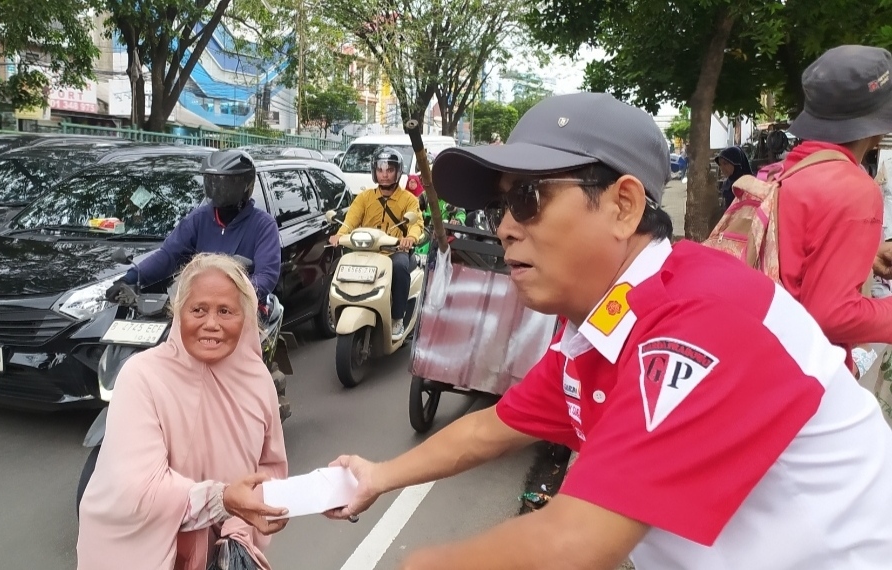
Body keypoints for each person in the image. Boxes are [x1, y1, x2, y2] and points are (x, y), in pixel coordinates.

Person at [325, 92, 892, 570]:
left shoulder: (704, 316)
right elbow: (490, 428)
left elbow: (576, 541)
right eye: (500, 206)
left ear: (624, 205)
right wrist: (378, 475)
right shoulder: (606, 325)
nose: (502, 227)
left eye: (527, 199)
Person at [78, 253, 290, 570]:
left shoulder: (257, 380)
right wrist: (223, 500)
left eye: (226, 311)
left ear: (244, 317)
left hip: (225, 551)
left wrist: (240, 524)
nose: (212, 324)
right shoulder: (142, 376)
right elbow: (138, 490)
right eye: (198, 310)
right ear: (178, 313)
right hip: (152, 555)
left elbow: (270, 468)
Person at [779, 44, 892, 374]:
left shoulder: (789, 170)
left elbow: (795, 261)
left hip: (769, 358)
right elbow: (833, 314)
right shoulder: (853, 189)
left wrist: (867, 258)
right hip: (809, 376)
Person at [105, 149, 281, 307]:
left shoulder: (263, 225)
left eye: (225, 183)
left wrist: (238, 293)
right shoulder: (198, 219)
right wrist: (130, 278)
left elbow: (266, 275)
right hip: (199, 304)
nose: (217, 188)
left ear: (245, 185)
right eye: (212, 181)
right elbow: (168, 255)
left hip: (244, 308)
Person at [329, 146, 424, 339]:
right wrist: (339, 235)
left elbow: (417, 223)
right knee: (340, 263)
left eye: (389, 170)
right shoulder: (364, 198)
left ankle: (397, 318)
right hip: (367, 250)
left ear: (398, 172)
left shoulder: (409, 199)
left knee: (400, 267)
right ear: (374, 172)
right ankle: (337, 310)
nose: (385, 175)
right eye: (380, 170)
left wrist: (410, 239)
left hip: (395, 251)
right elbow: (350, 220)